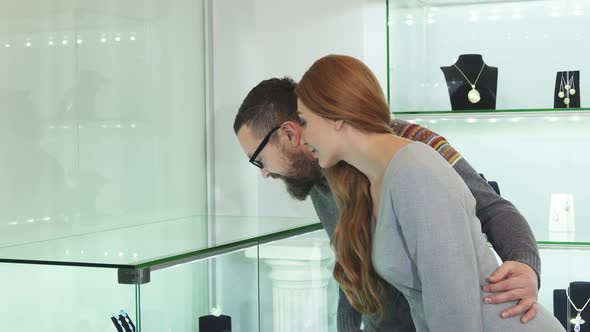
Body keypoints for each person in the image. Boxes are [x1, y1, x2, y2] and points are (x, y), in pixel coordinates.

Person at [234, 77, 541, 330]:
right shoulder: (317, 178)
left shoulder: (412, 149)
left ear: (290, 133)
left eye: (258, 159)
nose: (264, 173)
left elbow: (493, 208)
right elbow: (350, 267)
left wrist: (526, 266)